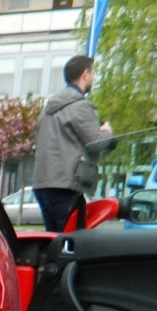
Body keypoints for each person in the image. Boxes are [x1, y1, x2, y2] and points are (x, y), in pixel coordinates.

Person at [33, 55, 114, 233]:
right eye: (92, 74)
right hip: (64, 185)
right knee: (73, 244)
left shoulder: (47, 109)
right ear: (85, 74)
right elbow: (96, 143)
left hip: (42, 183)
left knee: (54, 243)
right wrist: (107, 131)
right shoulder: (80, 106)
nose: (93, 78)